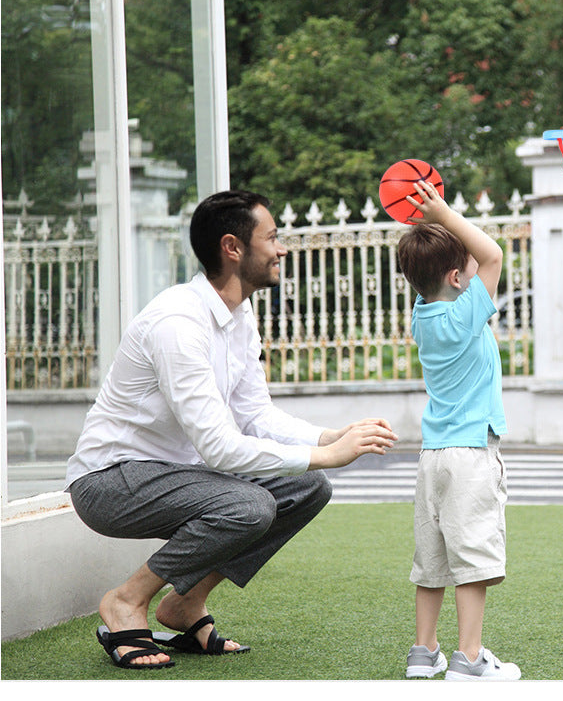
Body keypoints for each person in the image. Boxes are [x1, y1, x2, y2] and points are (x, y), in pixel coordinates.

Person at [65, 190, 398, 670]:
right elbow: (220, 448)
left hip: (175, 473)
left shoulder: (238, 315)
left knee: (305, 488)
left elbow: (255, 415)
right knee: (250, 504)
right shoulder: (179, 323)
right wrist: (330, 454)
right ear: (233, 247)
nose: (282, 248)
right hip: (110, 481)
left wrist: (328, 437)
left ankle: (184, 603)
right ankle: (125, 601)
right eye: (272, 237)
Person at [396, 181, 520, 681]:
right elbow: (493, 253)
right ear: (457, 276)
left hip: (432, 457)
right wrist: (443, 212)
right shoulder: (466, 313)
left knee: (432, 561)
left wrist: (431, 226)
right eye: (465, 264)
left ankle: (423, 654)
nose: (476, 264)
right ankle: (469, 658)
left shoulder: (423, 316)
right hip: (470, 456)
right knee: (472, 563)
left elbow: (476, 259)